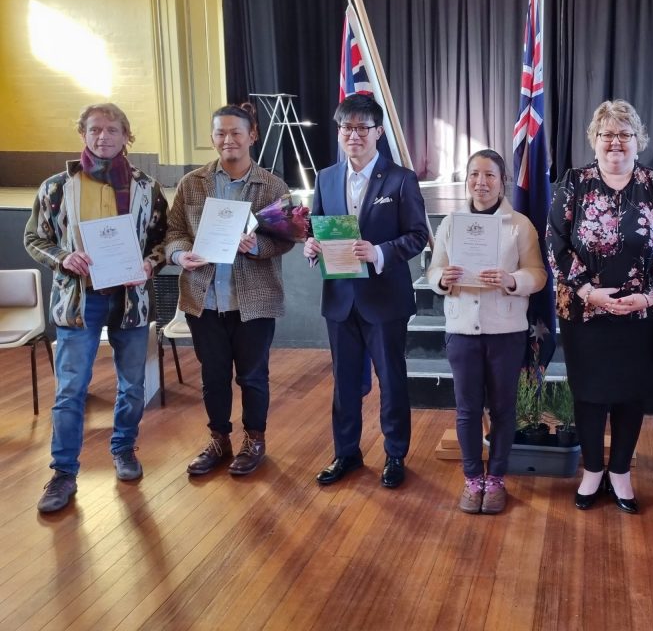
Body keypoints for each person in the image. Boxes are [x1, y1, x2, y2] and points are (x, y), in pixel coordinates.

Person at [25, 103, 168, 513]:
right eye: (94, 129)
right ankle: (63, 473)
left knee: (133, 385)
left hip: (129, 302)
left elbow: (162, 240)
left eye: (110, 129)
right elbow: (35, 238)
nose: (102, 136)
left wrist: (148, 263)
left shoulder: (146, 188)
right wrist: (62, 259)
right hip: (78, 302)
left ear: (126, 136)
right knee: (70, 390)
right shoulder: (56, 187)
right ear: (83, 134)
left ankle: (123, 449)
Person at [547, 99, 653, 514]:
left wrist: (648, 295)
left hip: (641, 312)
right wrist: (588, 291)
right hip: (584, 310)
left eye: (625, 134)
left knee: (631, 393)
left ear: (638, 140)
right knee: (588, 393)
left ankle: (620, 471)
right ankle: (592, 471)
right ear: (595, 140)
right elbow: (556, 242)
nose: (616, 142)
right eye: (607, 134)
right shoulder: (574, 181)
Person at [305, 94, 430, 489]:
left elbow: (417, 236)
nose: (353, 135)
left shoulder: (400, 179)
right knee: (343, 383)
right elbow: (316, 227)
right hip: (340, 299)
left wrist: (379, 252)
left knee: (391, 380)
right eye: (346, 127)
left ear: (378, 132)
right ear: (338, 132)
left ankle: (395, 454)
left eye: (362, 127)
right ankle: (346, 452)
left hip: (384, 299)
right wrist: (311, 247)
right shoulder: (325, 178)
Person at [164, 104, 294, 477]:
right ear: (212, 138)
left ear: (252, 135)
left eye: (236, 132)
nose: (228, 139)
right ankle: (219, 439)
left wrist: (257, 247)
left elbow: (285, 240)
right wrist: (178, 254)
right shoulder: (193, 183)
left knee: (253, 376)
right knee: (213, 375)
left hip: (254, 301)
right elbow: (174, 231)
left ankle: (255, 439)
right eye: (220, 133)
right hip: (203, 297)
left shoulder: (272, 186)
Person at [426, 150, 548, 514]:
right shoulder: (450, 222)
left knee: (503, 409)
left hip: (505, 330)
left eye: (490, 175)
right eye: (474, 175)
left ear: (502, 181)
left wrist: (512, 280)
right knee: (466, 409)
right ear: (466, 179)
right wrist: (442, 280)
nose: (481, 182)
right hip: (462, 330)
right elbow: (434, 271)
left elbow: (538, 275)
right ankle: (472, 479)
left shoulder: (520, 224)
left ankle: (495, 479)